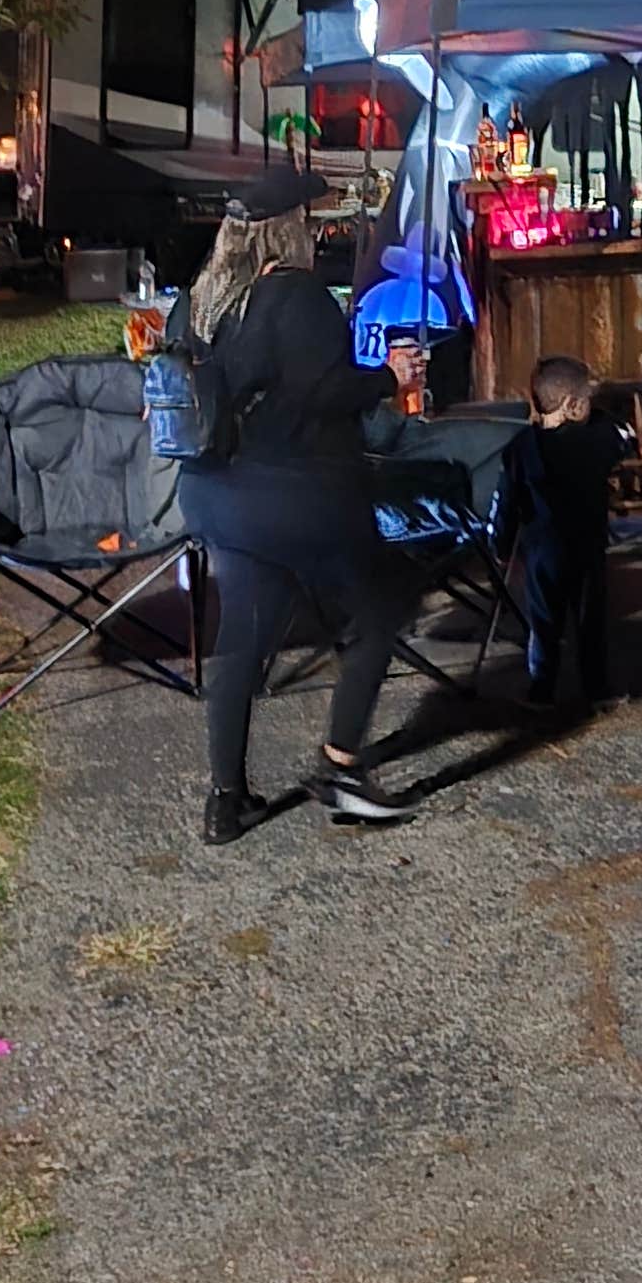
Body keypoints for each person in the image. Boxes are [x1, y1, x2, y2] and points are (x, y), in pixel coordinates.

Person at [168, 172, 423, 840]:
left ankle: (226, 802)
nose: (313, 231)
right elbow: (326, 393)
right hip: (293, 496)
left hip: (216, 498)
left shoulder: (197, 303)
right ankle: (341, 768)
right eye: (306, 221)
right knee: (385, 603)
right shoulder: (298, 296)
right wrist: (389, 379)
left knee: (244, 638)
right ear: (286, 231)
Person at [494, 351, 628, 708]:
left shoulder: (520, 448)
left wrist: (502, 544)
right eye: (587, 401)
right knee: (589, 621)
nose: (592, 407)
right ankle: (595, 688)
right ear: (571, 404)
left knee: (543, 622)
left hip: (542, 549)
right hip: (587, 545)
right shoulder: (596, 441)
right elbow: (621, 434)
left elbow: (507, 500)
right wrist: (594, 414)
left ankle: (542, 687)